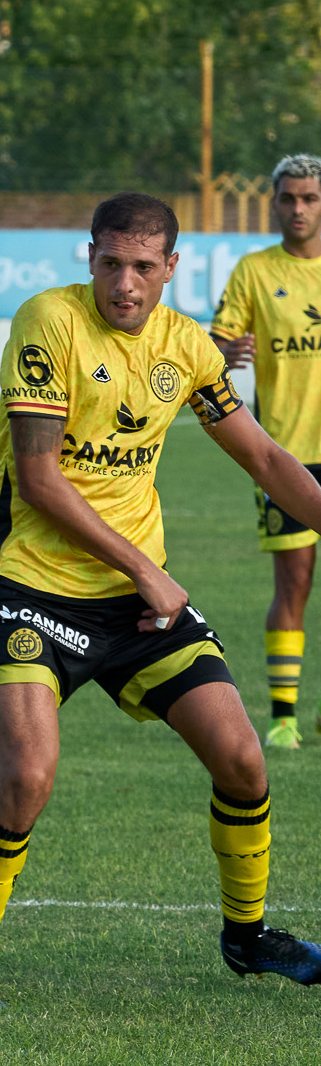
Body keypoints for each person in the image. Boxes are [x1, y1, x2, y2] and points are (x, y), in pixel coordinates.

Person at [0, 191, 321, 1010]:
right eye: (111, 262)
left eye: (145, 267)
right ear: (90, 257)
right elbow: (38, 480)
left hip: (138, 606)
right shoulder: (49, 322)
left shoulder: (186, 348)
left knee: (244, 760)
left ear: (171, 268)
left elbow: (264, 458)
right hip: (34, 591)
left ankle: (247, 937)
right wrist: (147, 570)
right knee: (28, 776)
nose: (126, 283)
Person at [210, 154, 321, 749]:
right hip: (287, 454)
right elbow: (215, 342)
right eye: (288, 198)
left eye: (309, 198)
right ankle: (284, 718)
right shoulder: (255, 271)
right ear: (274, 202)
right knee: (294, 582)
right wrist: (223, 353)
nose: (298, 208)